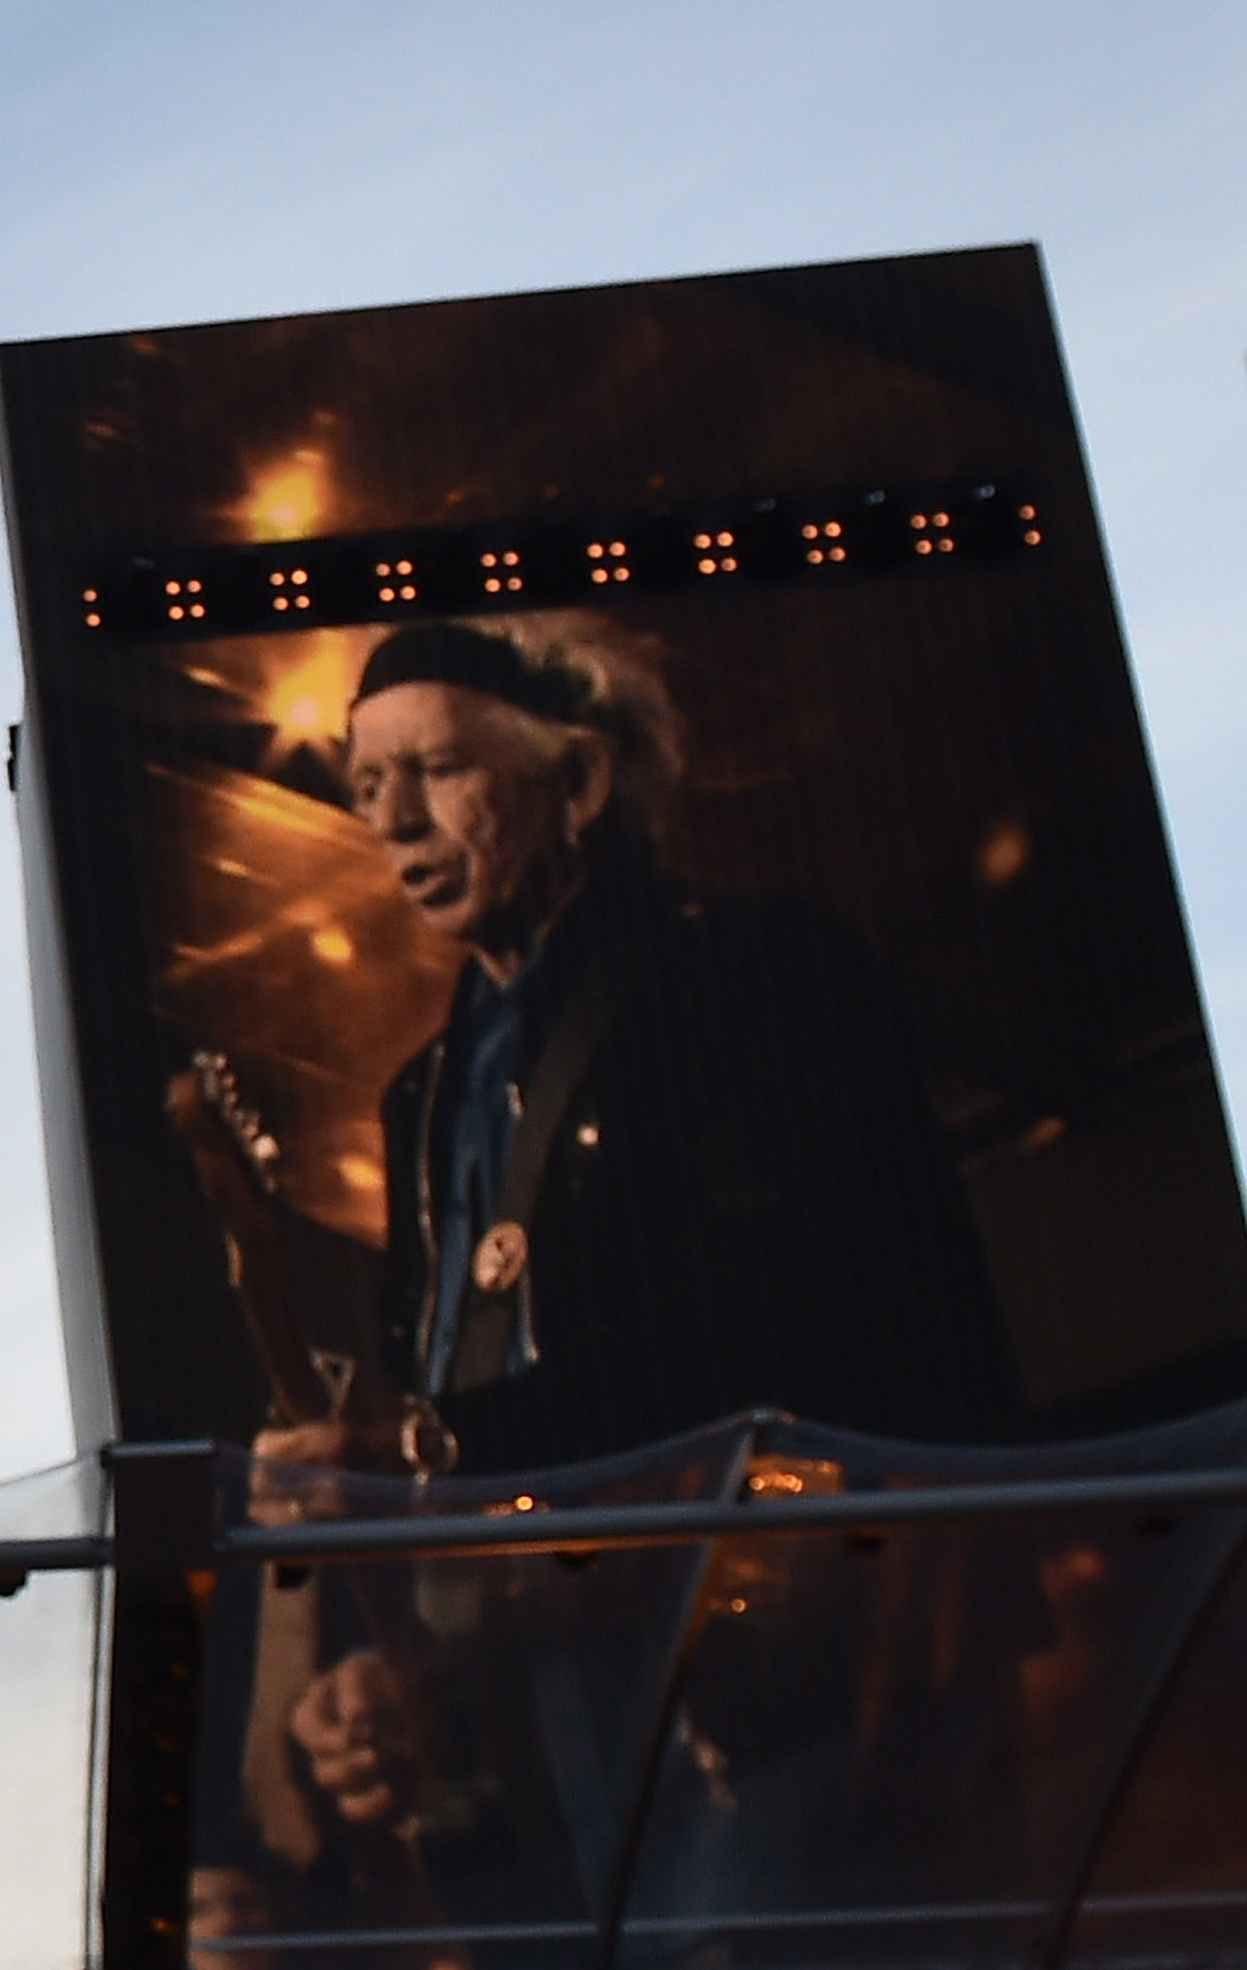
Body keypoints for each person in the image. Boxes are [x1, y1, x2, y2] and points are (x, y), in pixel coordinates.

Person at [301, 617, 1011, 1478]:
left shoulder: (757, 969)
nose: (396, 821)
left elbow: (783, 1314)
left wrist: (454, 1442)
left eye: (441, 769)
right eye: (368, 783)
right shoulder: (420, 1095)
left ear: (581, 781)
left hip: (784, 1564)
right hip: (541, 1591)